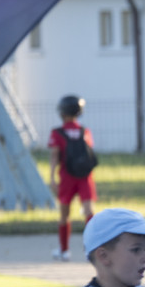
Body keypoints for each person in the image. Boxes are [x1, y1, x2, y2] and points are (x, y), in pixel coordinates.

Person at [48, 95, 97, 261]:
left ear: (62, 112)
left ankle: (64, 250)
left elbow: (54, 155)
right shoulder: (86, 131)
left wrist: (52, 177)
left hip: (67, 177)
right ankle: (93, 249)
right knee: (89, 211)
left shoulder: (57, 133)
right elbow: (89, 153)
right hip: (85, 176)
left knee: (64, 214)